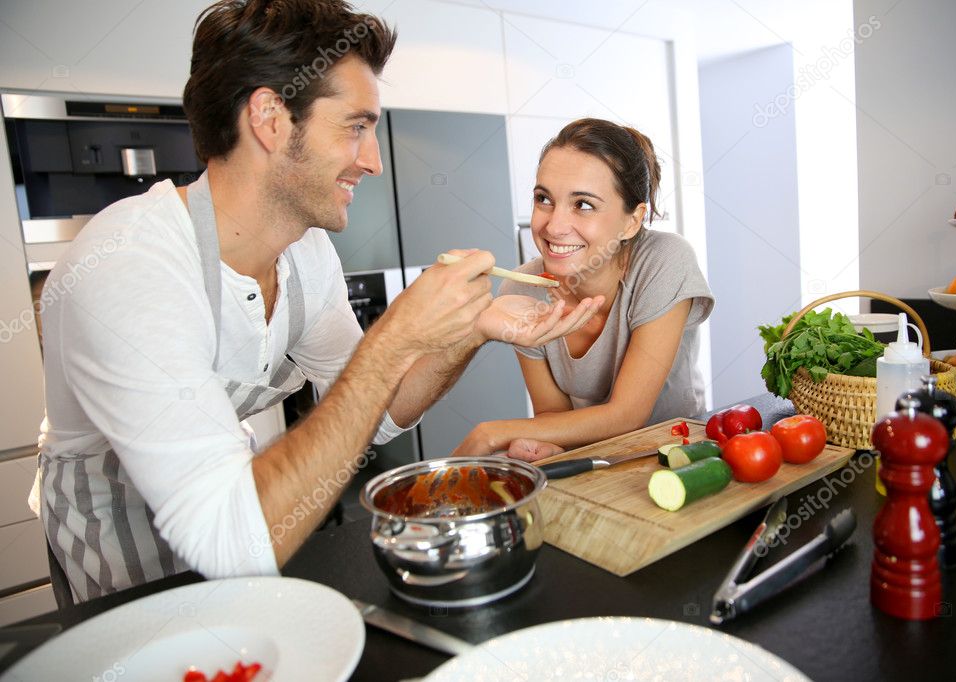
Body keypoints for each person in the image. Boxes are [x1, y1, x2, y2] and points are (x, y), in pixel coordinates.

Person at [35, 0, 601, 603]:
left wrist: (471, 327)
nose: (375, 160)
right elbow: (231, 538)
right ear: (270, 119)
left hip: (241, 543)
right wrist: (395, 337)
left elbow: (376, 410)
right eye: (356, 127)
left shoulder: (303, 255)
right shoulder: (131, 264)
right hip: (126, 574)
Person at [451, 119, 713, 461]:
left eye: (583, 204)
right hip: (590, 465)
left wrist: (491, 434)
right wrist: (539, 443)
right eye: (544, 199)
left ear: (632, 221)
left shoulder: (664, 261)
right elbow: (552, 416)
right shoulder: (521, 289)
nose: (554, 226)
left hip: (678, 460)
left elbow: (627, 414)